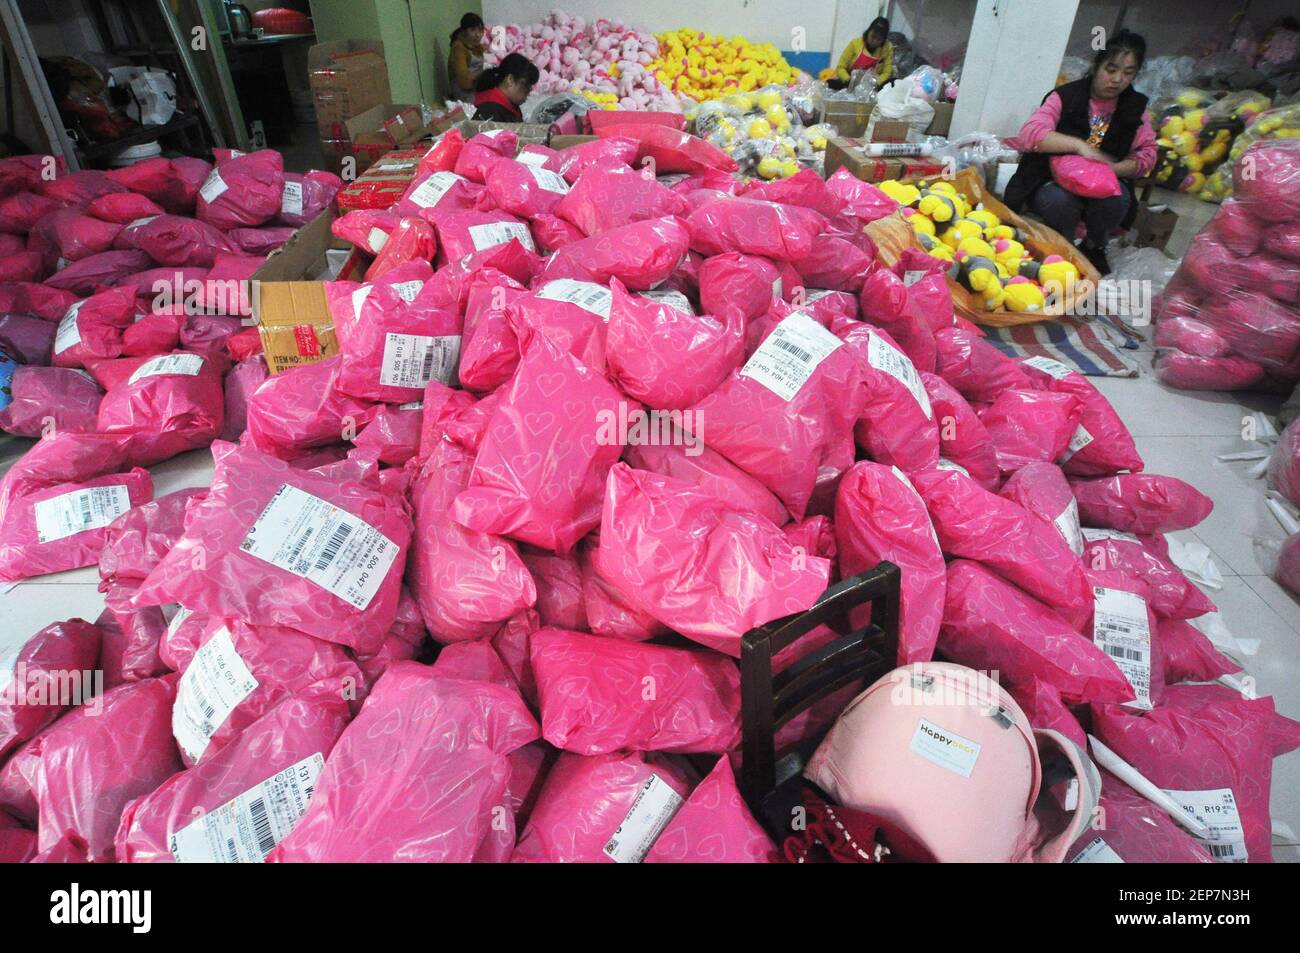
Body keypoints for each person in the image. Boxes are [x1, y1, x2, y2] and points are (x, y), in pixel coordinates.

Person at [1003, 30, 1156, 274]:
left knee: (1117, 200)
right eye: (1111, 69)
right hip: (1055, 183)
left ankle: (1094, 245)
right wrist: (1079, 146)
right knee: (1060, 200)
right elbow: (1031, 134)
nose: (1117, 79)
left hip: (1104, 187)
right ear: (1097, 65)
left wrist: (1113, 169)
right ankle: (1062, 243)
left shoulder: (1135, 107)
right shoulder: (1066, 97)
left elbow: (1147, 155)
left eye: (1128, 73)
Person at [830, 17, 894, 91]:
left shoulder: (887, 48)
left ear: (883, 40)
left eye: (879, 39)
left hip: (872, 86)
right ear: (868, 32)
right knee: (831, 83)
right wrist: (849, 81)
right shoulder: (855, 43)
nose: (875, 41)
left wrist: (876, 83)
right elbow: (840, 67)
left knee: (892, 83)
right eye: (873, 37)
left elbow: (887, 72)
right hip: (850, 83)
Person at [472, 53, 538, 122]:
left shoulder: (510, 105)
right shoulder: (489, 110)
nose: (529, 92)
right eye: (527, 86)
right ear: (510, 79)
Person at [448, 13, 486, 102]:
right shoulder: (458, 48)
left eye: (480, 30)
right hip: (463, 91)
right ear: (464, 31)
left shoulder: (475, 46)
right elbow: (464, 81)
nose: (477, 35)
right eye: (473, 30)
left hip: (475, 87)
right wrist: (482, 80)